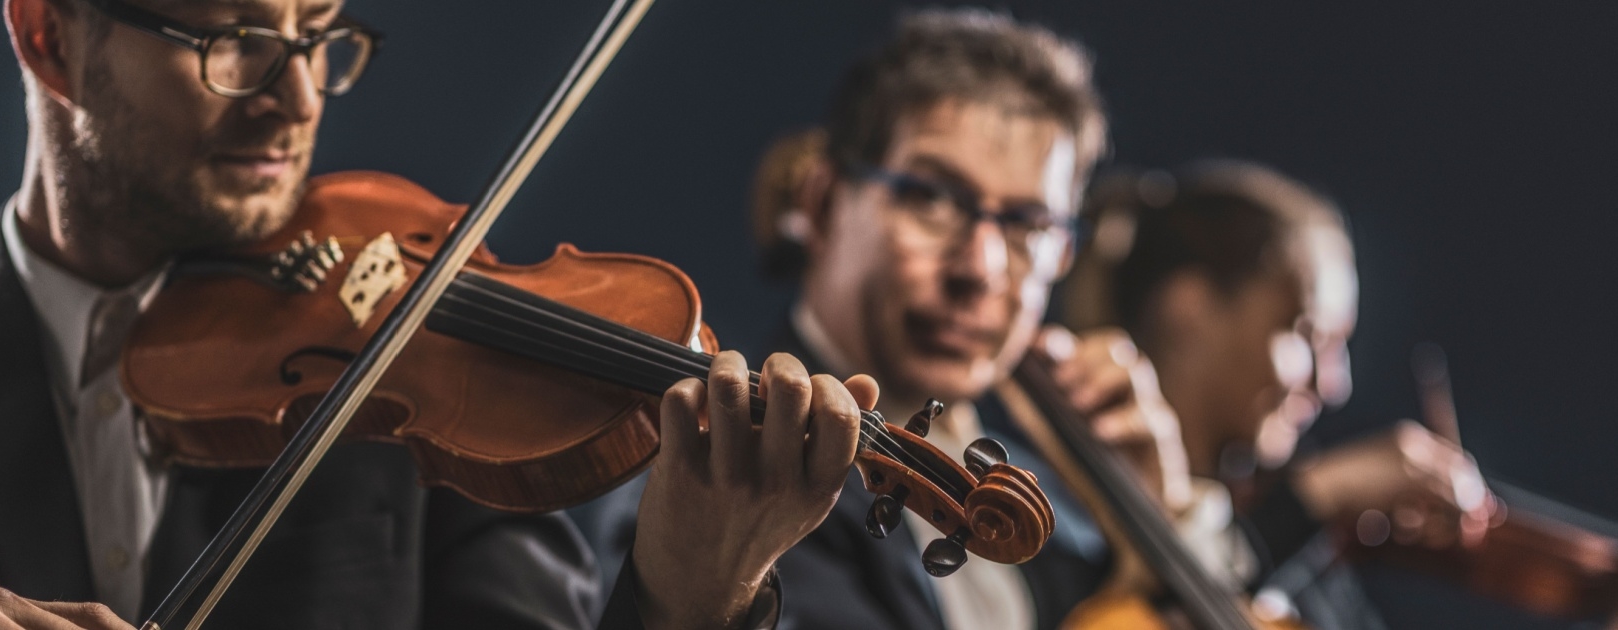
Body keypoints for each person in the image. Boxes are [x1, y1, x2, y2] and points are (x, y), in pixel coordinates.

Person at [0, 0, 874, 628]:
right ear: (50, 36)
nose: (295, 99)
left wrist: (690, 590)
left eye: (318, 34)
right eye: (235, 44)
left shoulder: (423, 369)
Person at [578, 10, 1240, 630]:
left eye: (1027, 226)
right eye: (930, 197)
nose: (979, 266)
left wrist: (1163, 522)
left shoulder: (1057, 512)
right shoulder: (719, 475)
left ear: (1062, 253)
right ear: (825, 202)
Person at [1061, 160, 1496, 627]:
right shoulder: (1064, 523)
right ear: (1188, 310)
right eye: (1304, 335)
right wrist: (1316, 496)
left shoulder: (1292, 553)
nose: (1332, 385)